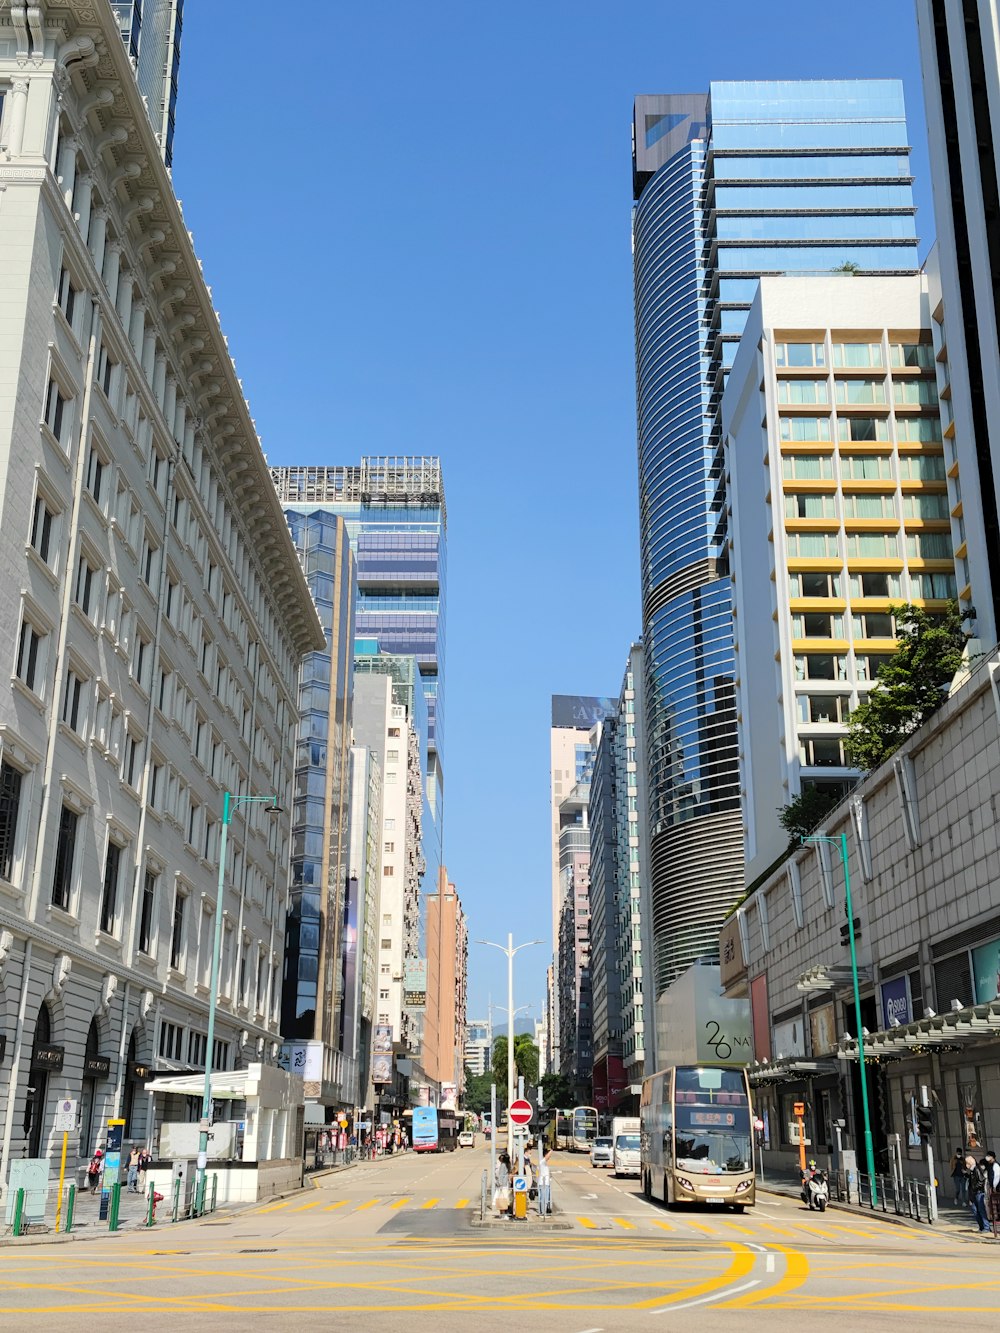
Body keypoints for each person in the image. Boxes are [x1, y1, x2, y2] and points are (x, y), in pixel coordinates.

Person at [969, 1155, 990, 1233]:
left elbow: (981, 1180)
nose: (966, 1165)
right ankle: (981, 1227)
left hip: (979, 1193)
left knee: (981, 1210)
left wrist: (975, 1188)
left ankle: (986, 1227)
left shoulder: (976, 1169)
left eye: (967, 1163)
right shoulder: (972, 1171)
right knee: (975, 1210)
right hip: (974, 1193)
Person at [985, 1149, 1000, 1237]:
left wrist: (994, 1186)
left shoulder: (996, 1165)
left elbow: (997, 1177)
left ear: (993, 1157)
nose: (988, 1157)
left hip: (997, 1189)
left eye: (989, 1156)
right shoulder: (990, 1165)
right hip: (993, 1188)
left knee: (996, 1205)